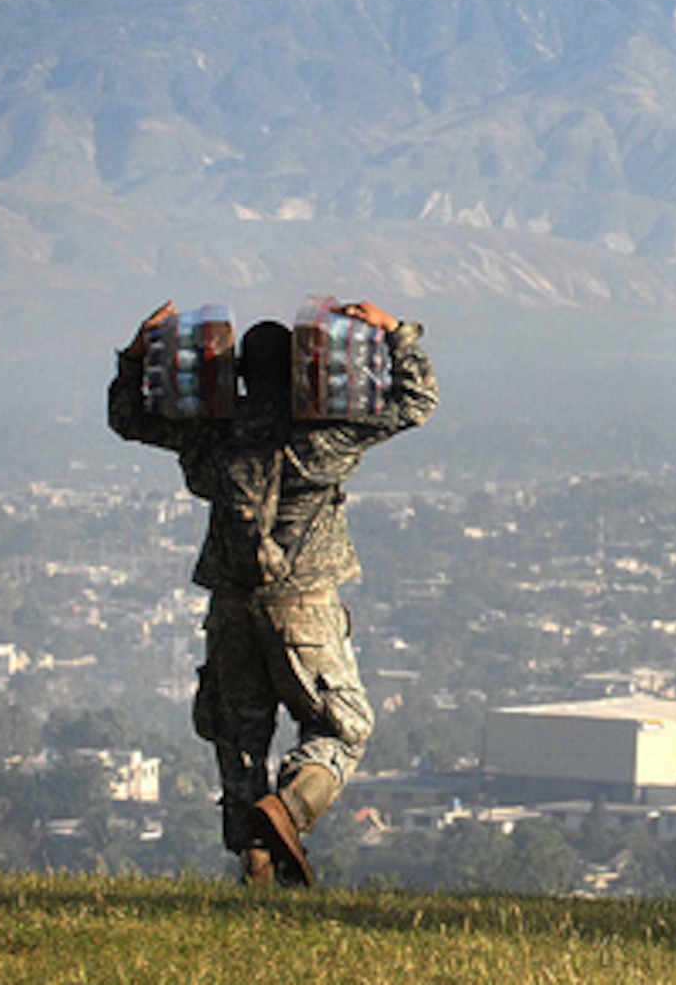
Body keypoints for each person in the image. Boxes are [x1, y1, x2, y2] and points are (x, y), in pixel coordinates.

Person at [109, 299, 437, 886]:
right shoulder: (324, 437)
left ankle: (254, 860)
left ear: (238, 375)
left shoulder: (211, 436)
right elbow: (416, 403)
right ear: (305, 371)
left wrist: (136, 356)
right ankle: (289, 809)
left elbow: (129, 420)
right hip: (306, 608)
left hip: (232, 605)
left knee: (239, 740)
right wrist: (395, 333)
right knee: (343, 727)